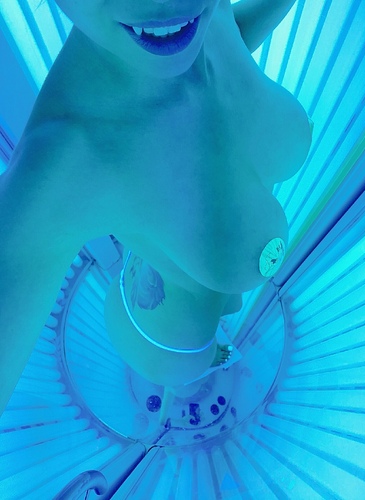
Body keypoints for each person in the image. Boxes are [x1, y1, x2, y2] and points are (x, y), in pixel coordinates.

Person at [0, 0, 312, 418]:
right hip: (167, 344)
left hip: (188, 293)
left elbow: (223, 38)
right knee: (186, 385)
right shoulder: (64, 161)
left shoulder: (200, 16)